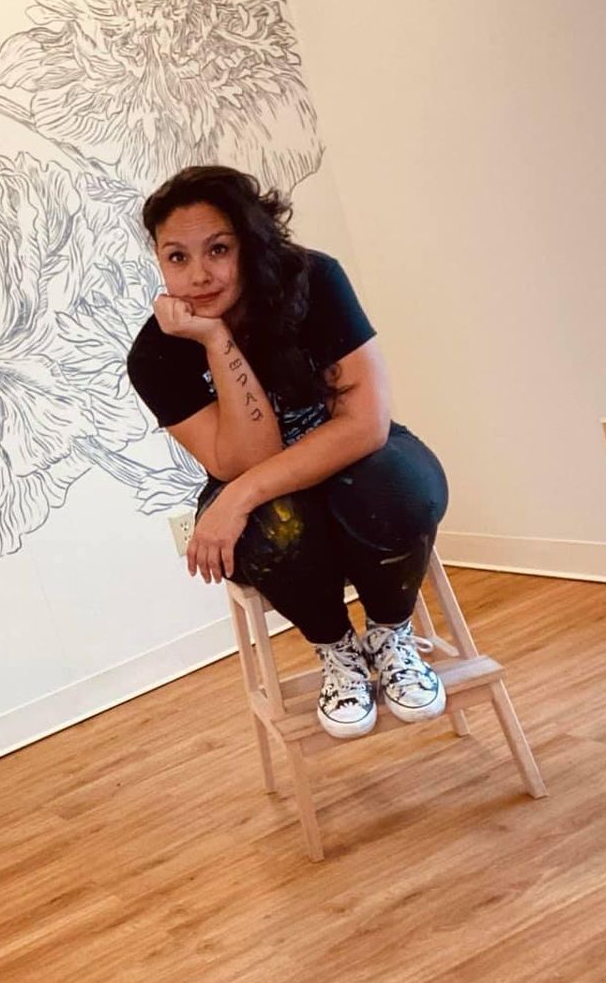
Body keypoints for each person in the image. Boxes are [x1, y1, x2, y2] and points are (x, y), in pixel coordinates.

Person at [126, 165, 450, 740]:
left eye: (218, 249)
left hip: (357, 464)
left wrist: (239, 497)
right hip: (266, 487)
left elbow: (365, 425)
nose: (199, 275)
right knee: (275, 525)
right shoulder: (155, 355)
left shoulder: (314, 280)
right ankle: (337, 650)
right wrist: (215, 338)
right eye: (177, 258)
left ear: (249, 243)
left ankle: (390, 631)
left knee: (396, 486)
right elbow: (246, 460)